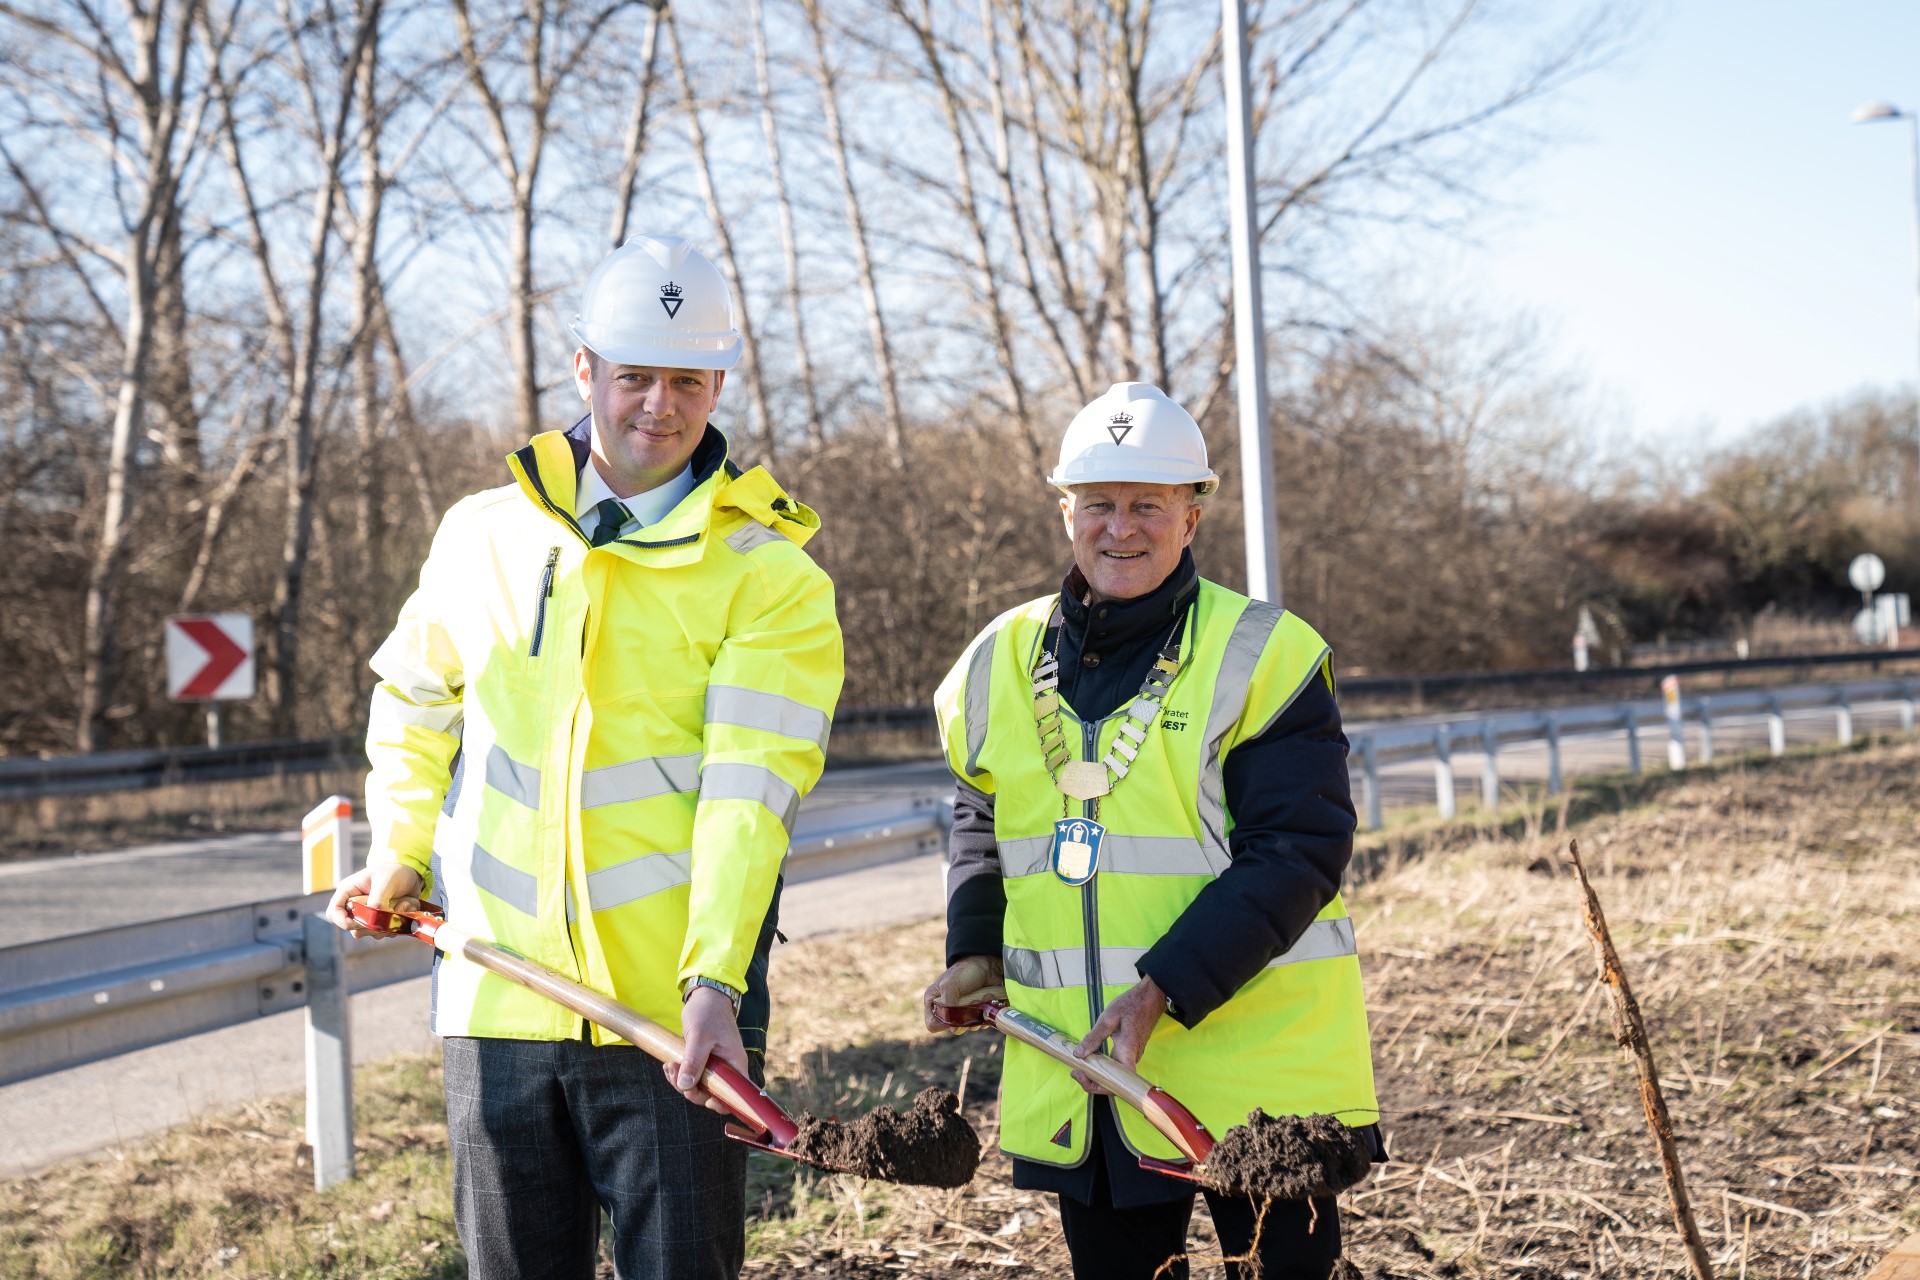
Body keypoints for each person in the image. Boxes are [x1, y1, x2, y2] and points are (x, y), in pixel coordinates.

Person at [326, 233, 843, 1280]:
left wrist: (715, 986)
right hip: (493, 1001)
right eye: (635, 376)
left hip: (671, 1020)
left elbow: (749, 798)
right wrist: (400, 850)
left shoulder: (768, 577)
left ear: (719, 384)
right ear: (585, 372)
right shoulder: (482, 535)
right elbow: (419, 699)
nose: (659, 403)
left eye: (686, 381)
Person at [922, 382, 1381, 1280]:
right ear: (1066, 512)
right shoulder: (997, 661)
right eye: (1098, 504)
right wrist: (975, 946)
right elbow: (982, 811)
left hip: (1262, 1085)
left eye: (1147, 506)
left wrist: (1162, 986)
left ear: (1191, 518)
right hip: (1089, 1079)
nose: (1119, 529)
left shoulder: (1262, 655)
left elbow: (1300, 847)